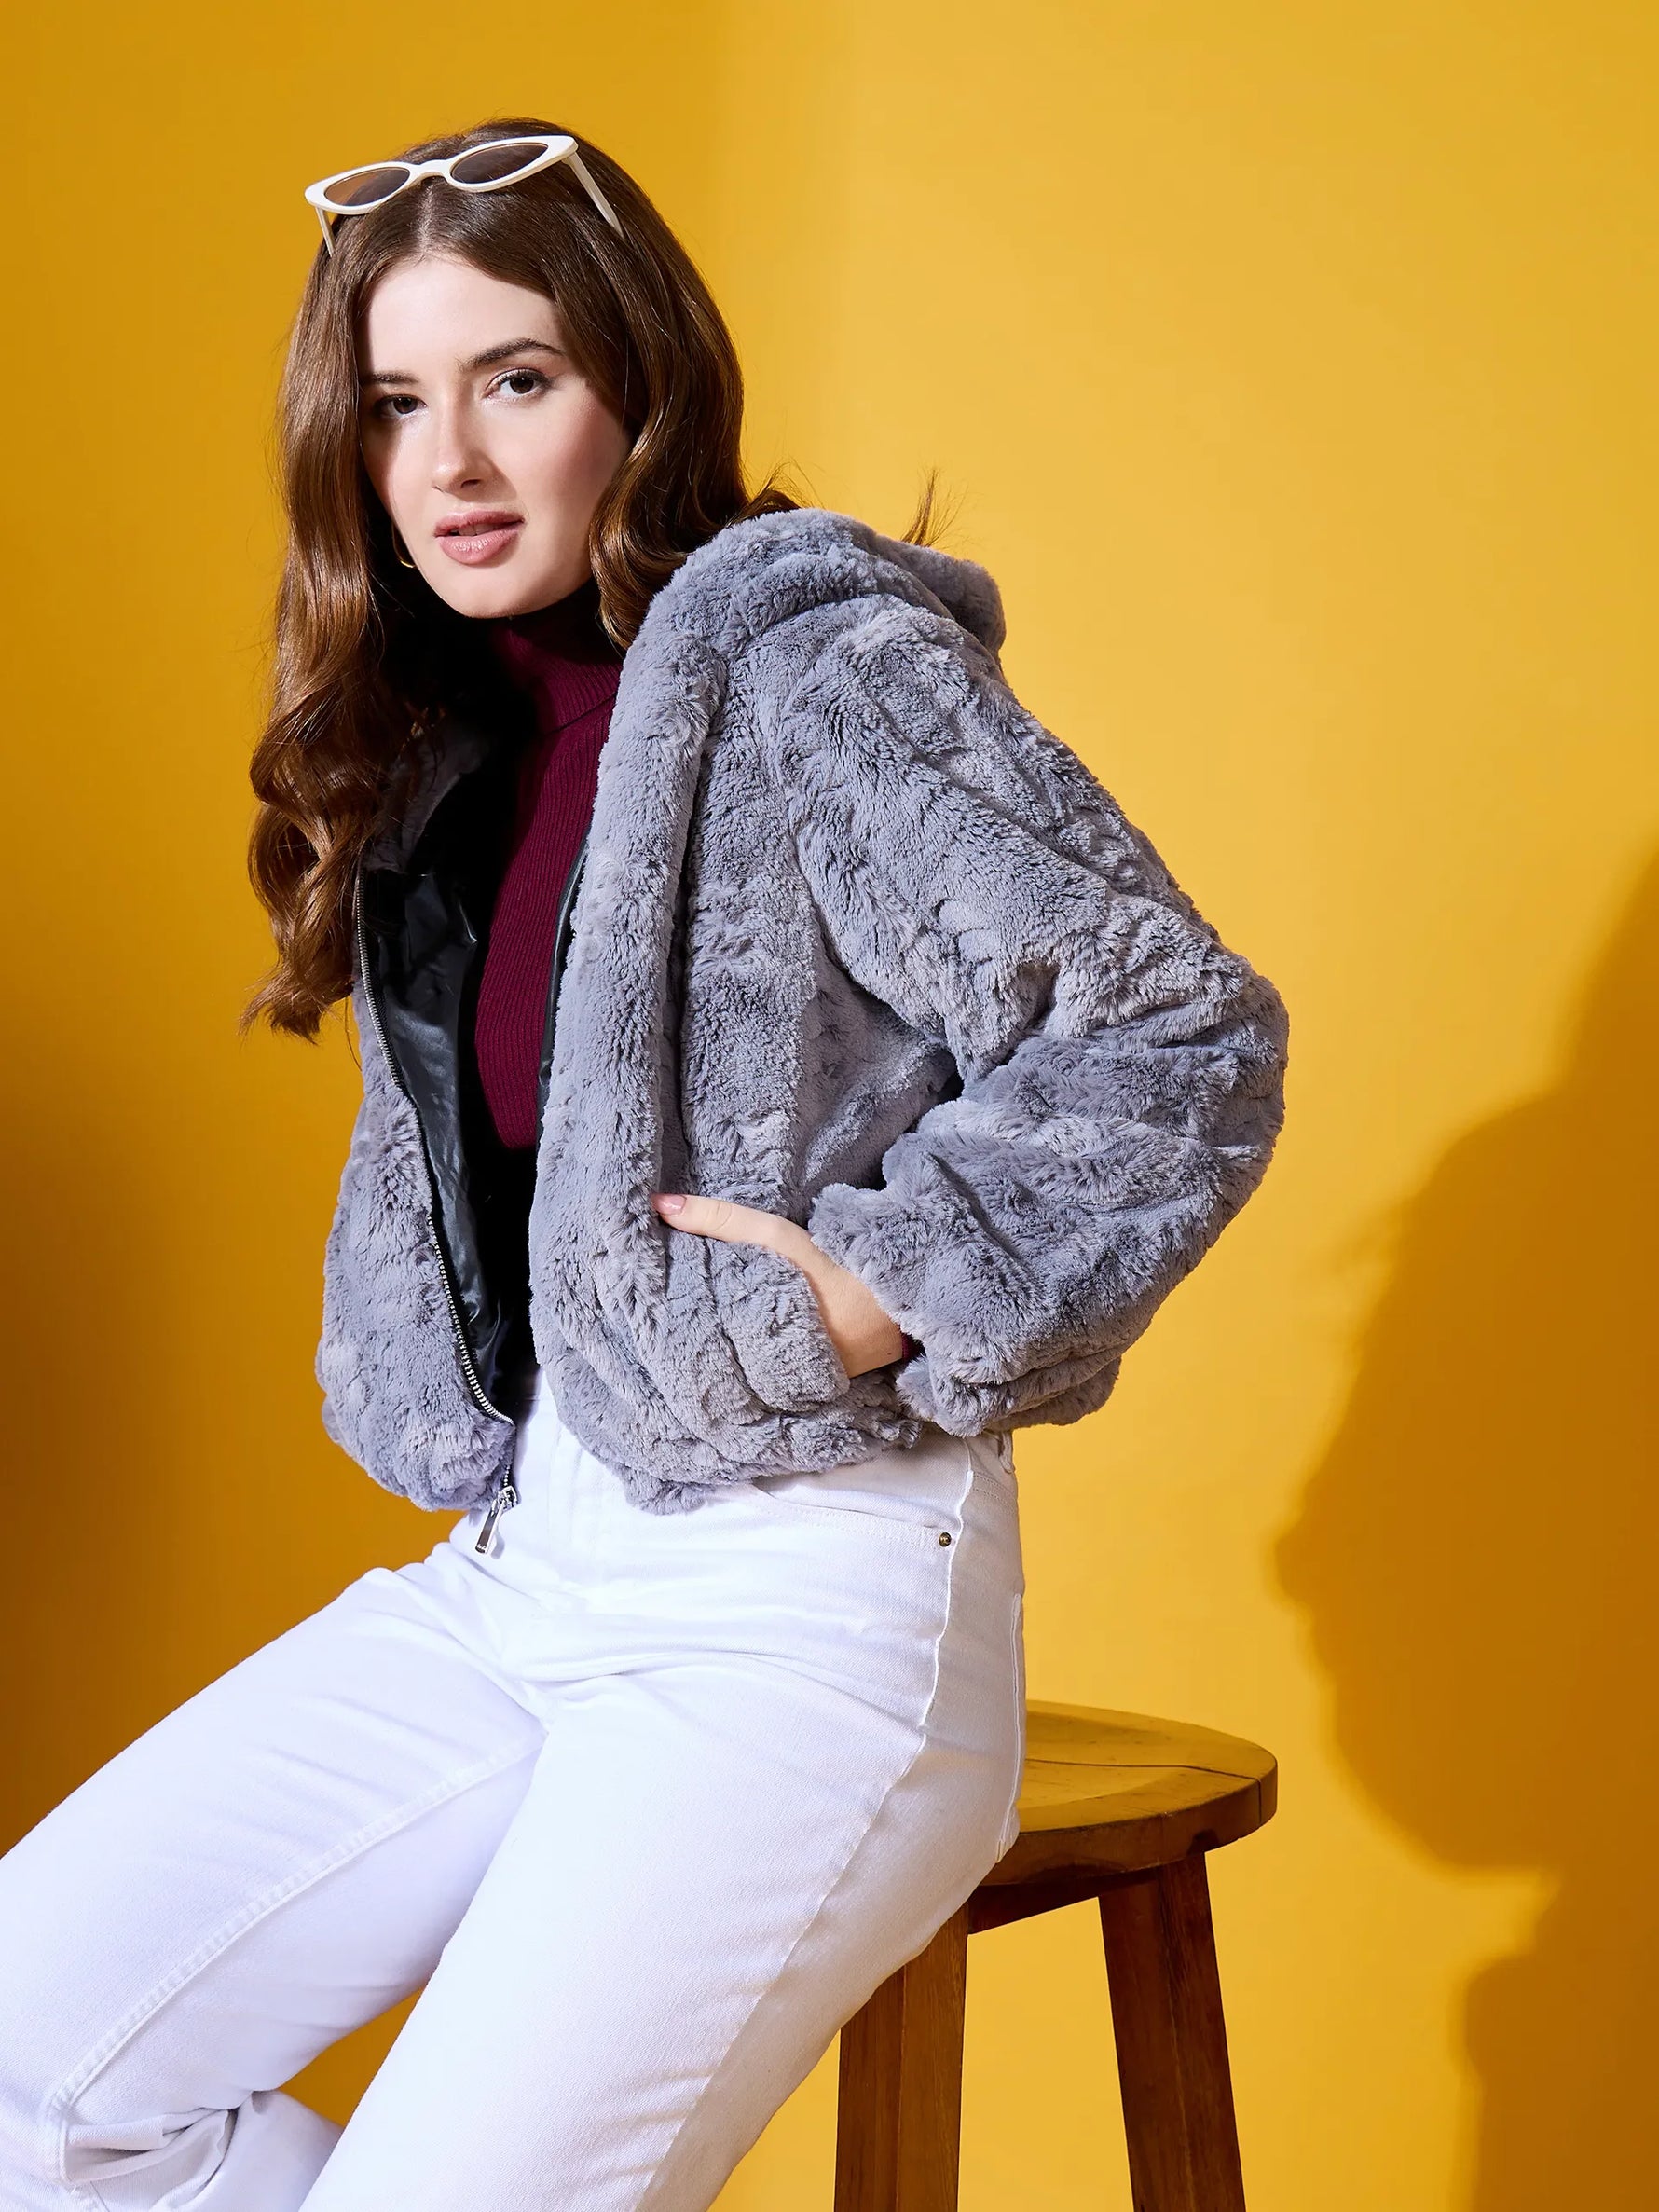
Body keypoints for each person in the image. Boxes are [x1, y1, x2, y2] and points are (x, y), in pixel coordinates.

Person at [0, 116, 1290, 2211]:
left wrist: (883, 1283)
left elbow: (1173, 1031)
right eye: (395, 403)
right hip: (531, 1569)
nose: (451, 462)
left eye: (516, 380)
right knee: (28, 2063)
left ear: (637, 384)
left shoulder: (810, 666)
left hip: (807, 1595)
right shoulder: (441, 740)